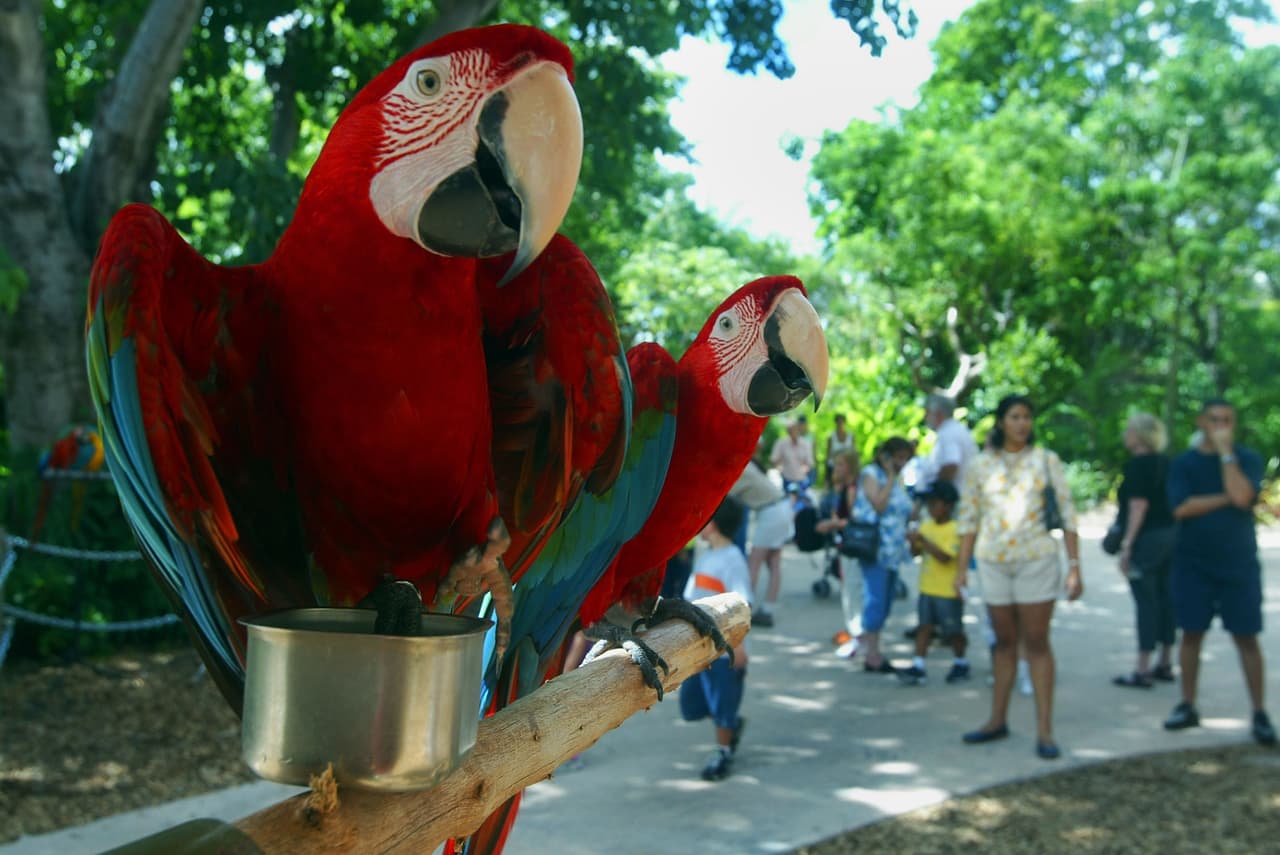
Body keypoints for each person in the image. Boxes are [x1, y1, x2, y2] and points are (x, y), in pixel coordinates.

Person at [955, 394, 1083, 760]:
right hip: (994, 561)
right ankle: (997, 719)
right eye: (1015, 416)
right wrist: (961, 569)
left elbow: (1069, 515)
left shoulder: (1046, 461)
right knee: (1003, 642)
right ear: (1000, 421)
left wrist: (1074, 567)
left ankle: (1045, 730)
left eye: (1027, 417)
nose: (1022, 424)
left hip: (1036, 560)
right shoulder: (981, 465)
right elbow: (969, 519)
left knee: (1037, 642)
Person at [1162, 399, 1275, 745]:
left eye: (1227, 421)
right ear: (1202, 422)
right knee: (1191, 633)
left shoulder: (1248, 459)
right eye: (1215, 420)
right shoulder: (1184, 464)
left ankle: (1258, 711)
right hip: (1193, 563)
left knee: (1247, 638)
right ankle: (1187, 704)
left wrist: (1227, 457)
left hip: (1238, 564)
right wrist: (1226, 497)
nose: (1221, 427)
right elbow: (1181, 508)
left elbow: (1243, 498)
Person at [679, 497, 751, 780]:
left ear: (715, 524)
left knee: (722, 704)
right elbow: (691, 599)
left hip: (724, 652)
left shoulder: (733, 560)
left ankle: (723, 750)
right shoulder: (706, 556)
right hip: (699, 649)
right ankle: (731, 724)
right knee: (692, 706)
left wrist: (739, 645)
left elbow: (741, 606)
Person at [1111, 412, 1177, 689]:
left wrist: (1127, 546)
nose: (1126, 434)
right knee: (1166, 599)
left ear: (1138, 434)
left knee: (1146, 602)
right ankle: (1164, 661)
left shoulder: (1138, 466)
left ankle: (1142, 668)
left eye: (1129, 430)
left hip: (1147, 541)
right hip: (1172, 538)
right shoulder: (1168, 464)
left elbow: (1139, 507)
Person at [851, 436, 915, 673]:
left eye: (905, 458)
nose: (902, 463)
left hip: (893, 550)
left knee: (887, 600)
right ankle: (872, 654)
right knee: (876, 599)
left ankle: (874, 648)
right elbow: (878, 503)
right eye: (898, 457)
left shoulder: (897, 480)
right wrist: (889, 475)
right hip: (876, 549)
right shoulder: (872, 474)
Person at [898, 480, 969, 685]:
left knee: (953, 630)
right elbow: (917, 553)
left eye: (934, 504)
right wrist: (914, 543)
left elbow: (945, 557)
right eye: (928, 504)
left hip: (948, 590)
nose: (930, 509)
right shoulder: (926, 526)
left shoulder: (955, 529)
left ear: (947, 506)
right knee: (924, 627)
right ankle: (918, 663)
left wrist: (923, 541)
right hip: (927, 587)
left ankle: (960, 660)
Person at [729, 454, 792, 628]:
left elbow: (726, 495)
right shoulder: (749, 466)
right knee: (774, 563)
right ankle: (767, 609)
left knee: (754, 562)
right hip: (782, 507)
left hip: (770, 513)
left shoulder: (740, 470)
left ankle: (743, 608)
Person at [814, 450, 862, 658]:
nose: (837, 468)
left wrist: (831, 524)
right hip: (844, 546)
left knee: (852, 591)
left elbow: (852, 519)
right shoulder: (841, 487)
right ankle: (854, 634)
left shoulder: (852, 488)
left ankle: (857, 637)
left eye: (841, 464)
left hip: (852, 546)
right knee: (848, 590)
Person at [916, 393, 979, 497]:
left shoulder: (948, 433)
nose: (924, 417)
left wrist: (935, 491)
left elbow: (951, 464)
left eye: (927, 413)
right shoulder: (956, 429)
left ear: (938, 414)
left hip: (953, 499)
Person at [770, 418, 815, 496]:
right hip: (787, 479)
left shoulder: (806, 444)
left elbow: (810, 462)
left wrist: (804, 469)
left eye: (794, 429)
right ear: (787, 431)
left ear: (798, 429)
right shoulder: (781, 443)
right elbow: (774, 459)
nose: (793, 431)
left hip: (802, 480)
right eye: (790, 429)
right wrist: (780, 469)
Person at [824, 414, 855, 487]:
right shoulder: (831, 437)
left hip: (847, 467)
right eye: (838, 422)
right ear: (836, 423)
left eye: (842, 422)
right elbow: (828, 454)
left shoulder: (851, 436)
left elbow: (853, 453)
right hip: (833, 466)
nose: (840, 424)